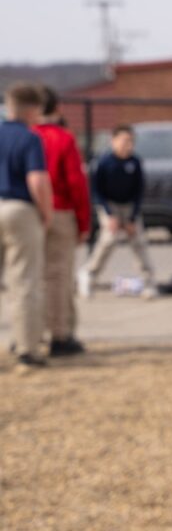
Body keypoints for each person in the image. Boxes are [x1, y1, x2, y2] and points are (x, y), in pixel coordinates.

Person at [33, 85, 91, 356]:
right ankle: (60, 334)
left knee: (28, 277)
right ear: (57, 108)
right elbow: (75, 183)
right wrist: (84, 222)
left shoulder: (21, 135)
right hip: (59, 210)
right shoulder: (62, 138)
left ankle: (28, 335)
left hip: (26, 212)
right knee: (59, 276)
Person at [1, 82, 53, 370]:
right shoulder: (29, 138)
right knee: (24, 282)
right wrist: (45, 212)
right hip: (19, 209)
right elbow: (37, 179)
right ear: (32, 109)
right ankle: (27, 349)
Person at [78, 124, 157, 300]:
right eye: (123, 140)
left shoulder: (134, 162)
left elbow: (138, 191)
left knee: (138, 241)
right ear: (113, 141)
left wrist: (131, 218)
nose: (127, 144)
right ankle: (89, 275)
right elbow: (96, 191)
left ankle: (149, 282)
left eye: (130, 141)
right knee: (109, 239)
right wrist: (110, 215)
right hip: (109, 205)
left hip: (128, 206)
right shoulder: (104, 162)